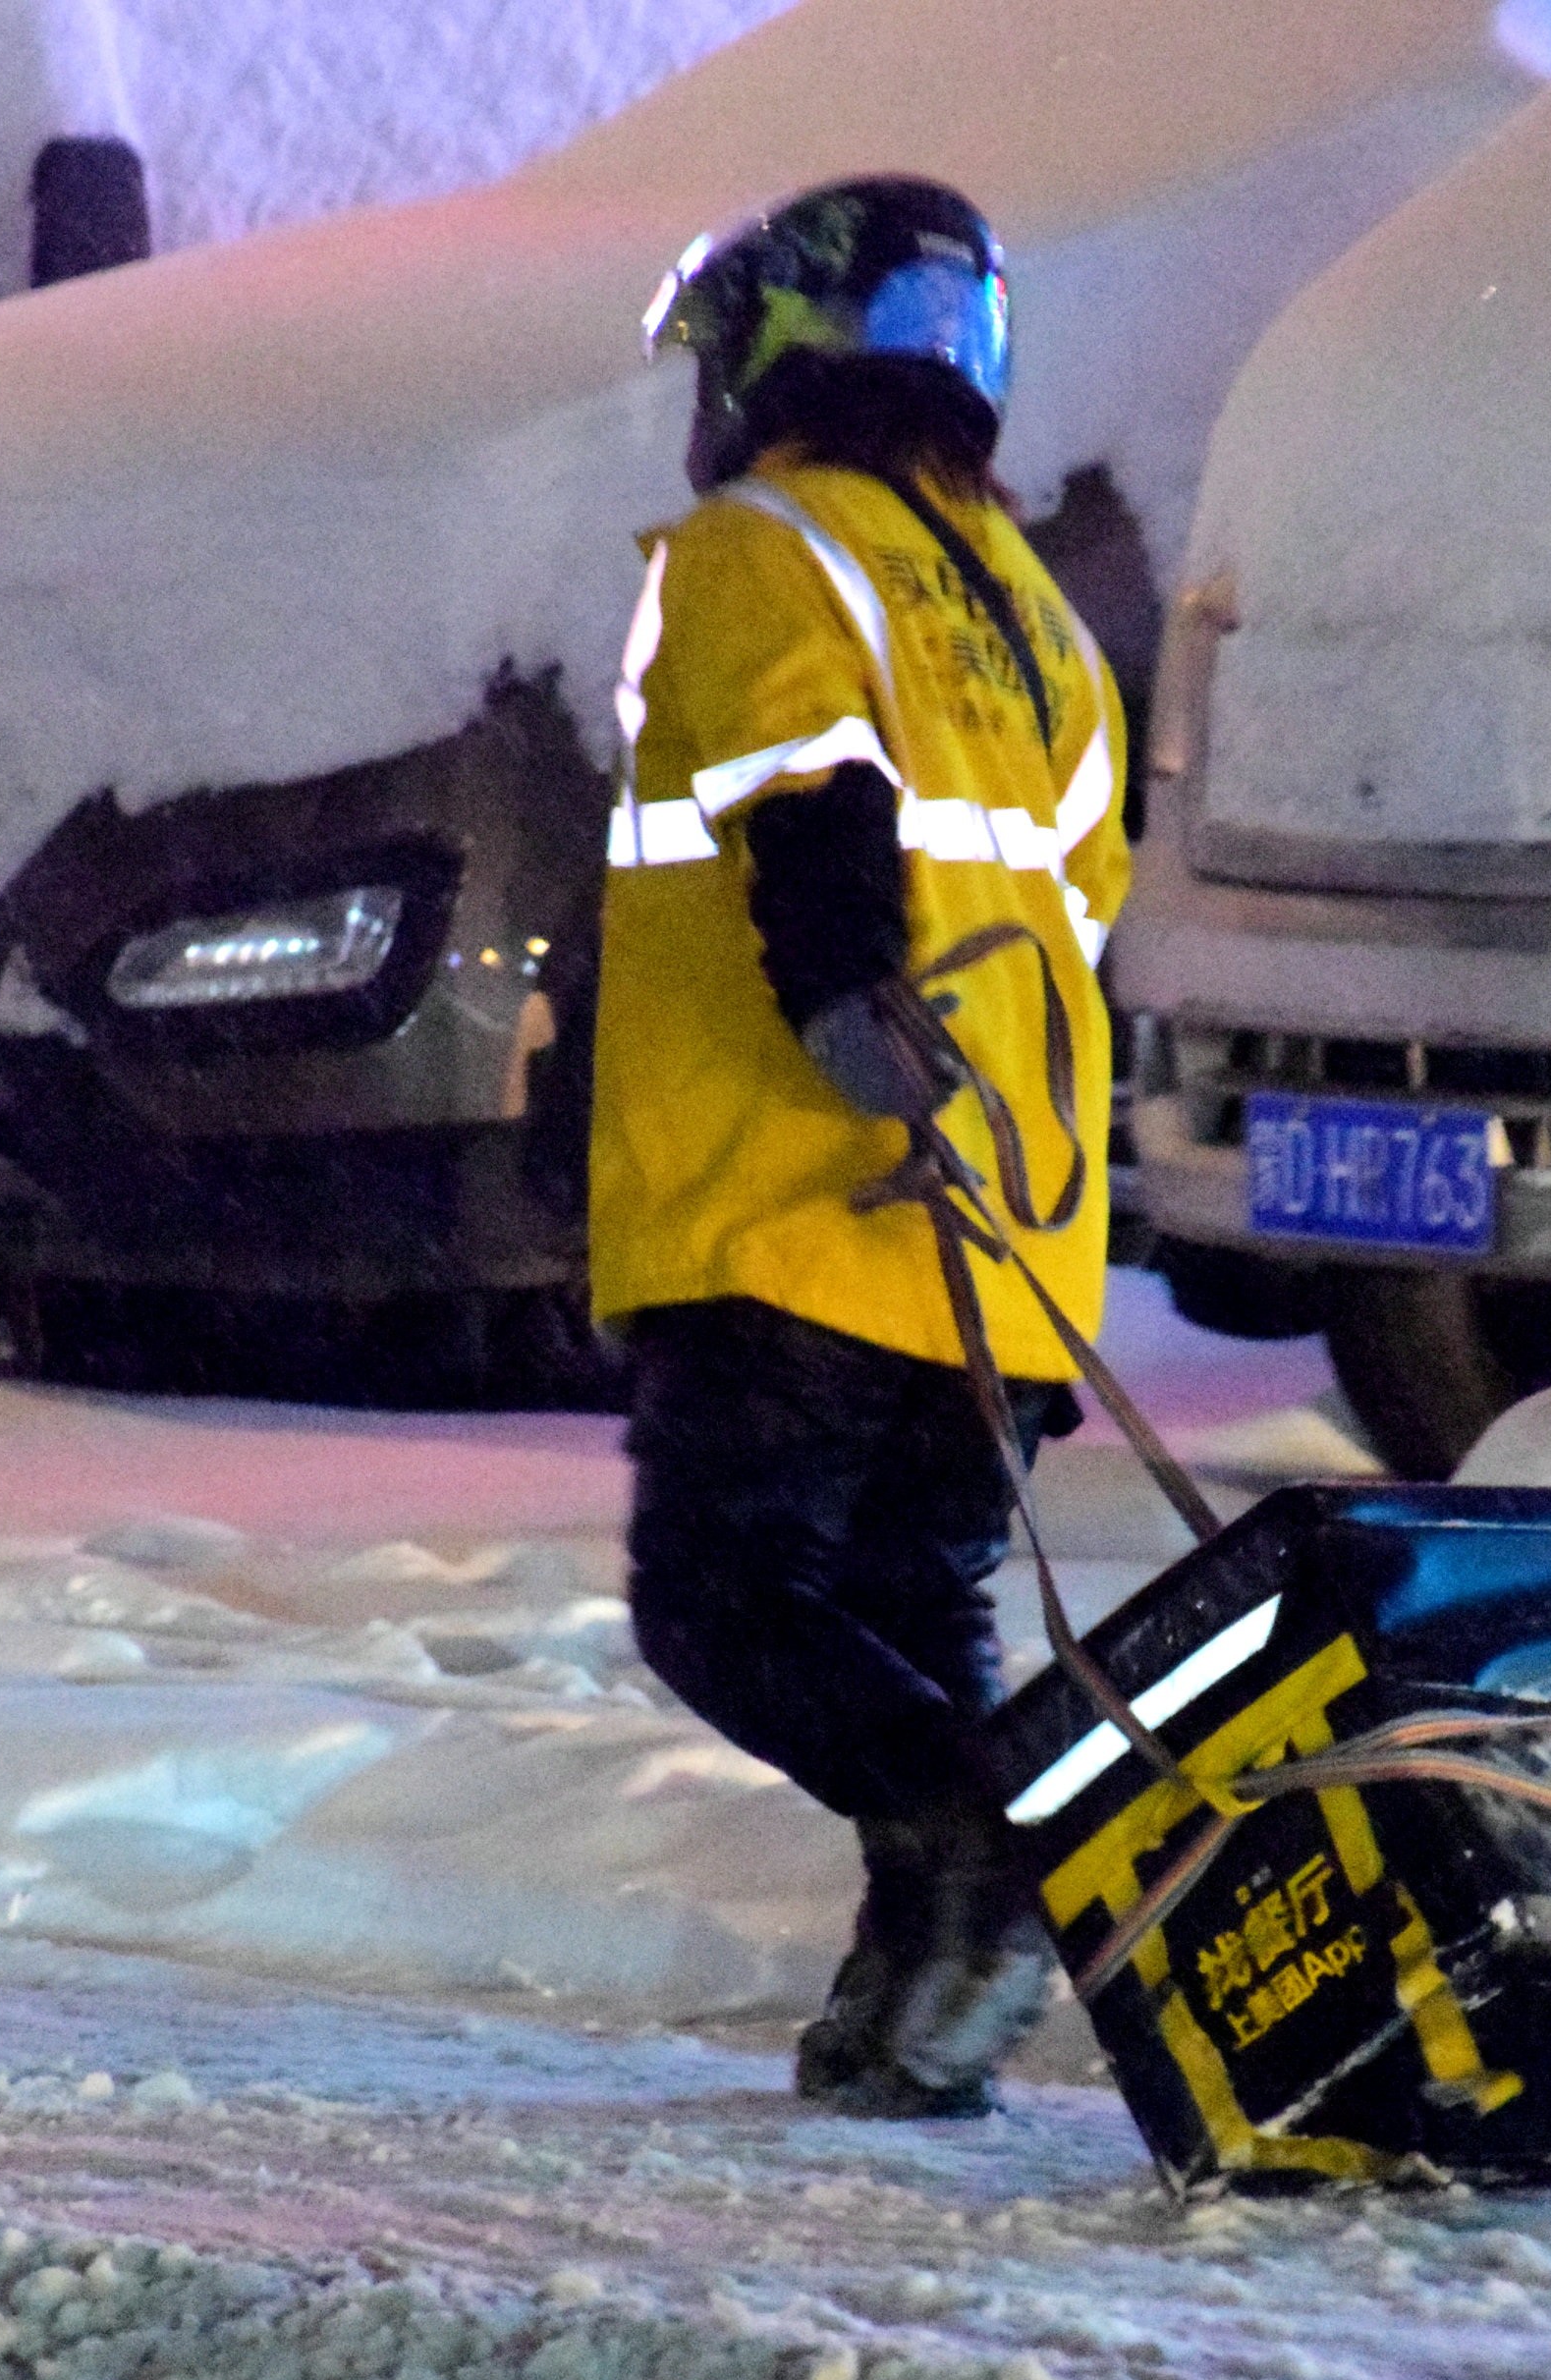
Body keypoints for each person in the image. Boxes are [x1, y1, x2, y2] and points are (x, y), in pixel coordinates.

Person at [590, 176, 1132, 2118]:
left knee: (722, 1597)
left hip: (798, 1185)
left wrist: (841, 1001)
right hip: (1006, 1230)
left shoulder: (757, 549)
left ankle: (986, 1857)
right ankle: (911, 2020)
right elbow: (1078, 915)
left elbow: (806, 786)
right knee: (907, 1617)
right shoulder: (1034, 615)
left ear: (786, 346)